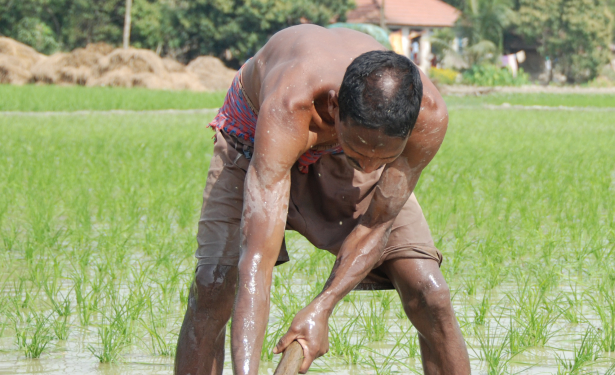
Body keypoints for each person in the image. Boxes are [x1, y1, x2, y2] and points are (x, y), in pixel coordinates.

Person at [174, 24, 469, 375]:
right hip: (256, 138)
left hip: (343, 148)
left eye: (384, 159)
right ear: (334, 108)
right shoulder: (292, 102)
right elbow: (257, 257)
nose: (373, 166)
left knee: (430, 292)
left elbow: (377, 223)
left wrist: (321, 308)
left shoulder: (428, 117)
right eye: (362, 153)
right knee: (215, 284)